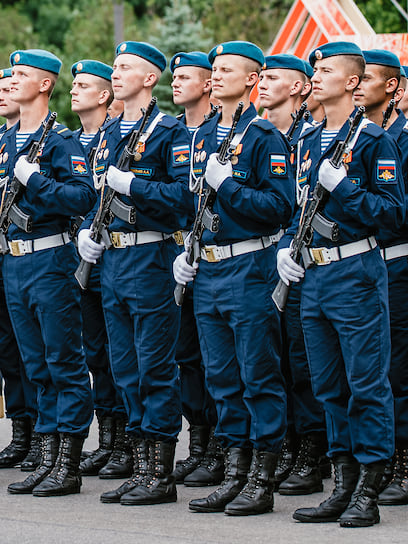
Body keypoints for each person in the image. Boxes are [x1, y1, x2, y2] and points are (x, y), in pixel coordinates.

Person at [279, 41, 402, 528]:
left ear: (352, 82)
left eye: (326, 70)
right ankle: (343, 482)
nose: (316, 76)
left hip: (355, 274)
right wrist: (289, 248)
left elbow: (394, 215)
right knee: (327, 385)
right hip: (314, 276)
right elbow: (298, 209)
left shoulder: (374, 140)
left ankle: (369, 490)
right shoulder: (308, 142)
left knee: (366, 385)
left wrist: (345, 187)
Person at [172, 41, 293, 516]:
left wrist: (229, 185)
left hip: (249, 268)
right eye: (214, 69)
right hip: (209, 268)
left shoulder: (264, 136)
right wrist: (188, 247)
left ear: (252, 80)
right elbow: (192, 204)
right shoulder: (202, 138)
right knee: (220, 376)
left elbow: (280, 209)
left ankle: (260, 478)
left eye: (226, 70)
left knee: (257, 374)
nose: (216, 76)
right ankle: (234, 471)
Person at [0, 49, 96, 497]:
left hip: (50, 260)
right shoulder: (6, 141)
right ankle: (46, 457)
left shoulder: (61, 141)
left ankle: (68, 462)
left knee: (64, 362)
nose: (13, 79)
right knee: (35, 366)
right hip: (15, 261)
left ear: (45, 84)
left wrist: (37, 180)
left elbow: (83, 197)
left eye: (22, 74)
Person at [76, 42, 189, 505]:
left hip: (150, 258)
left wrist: (134, 185)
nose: (116, 74)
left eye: (125, 68)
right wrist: (88, 230)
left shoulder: (169, 132)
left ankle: (159, 475)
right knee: (124, 368)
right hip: (114, 261)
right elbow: (95, 195)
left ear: (149, 79)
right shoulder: (108, 135)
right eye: (116, 67)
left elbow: (182, 199)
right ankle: (140, 465)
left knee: (154, 366)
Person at [257, 54, 329, 495]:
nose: (263, 84)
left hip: (301, 261)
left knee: (303, 362)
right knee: (273, 360)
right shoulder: (260, 136)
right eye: (260, 77)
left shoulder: (310, 136)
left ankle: (311, 451)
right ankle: (284, 444)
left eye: (273, 78)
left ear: (300, 87)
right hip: (261, 261)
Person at [68, 59, 130, 479]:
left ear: (105, 95)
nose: (74, 90)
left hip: (116, 257)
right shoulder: (70, 141)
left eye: (84, 84)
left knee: (119, 353)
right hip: (78, 259)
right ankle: (107, 440)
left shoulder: (118, 139)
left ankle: (125, 442)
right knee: (95, 353)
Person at [354, 49, 408, 506]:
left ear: (391, 86)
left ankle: (402, 465)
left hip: (397, 262)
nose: (357, 86)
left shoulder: (402, 138)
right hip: (359, 265)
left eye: (366, 78)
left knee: (396, 371)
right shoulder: (352, 136)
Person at [164, 51, 219, 487]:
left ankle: (221, 447)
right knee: (187, 355)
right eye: (174, 76)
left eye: (185, 77)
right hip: (179, 254)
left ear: (206, 85)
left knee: (218, 358)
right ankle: (198, 443)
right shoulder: (170, 132)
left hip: (219, 254)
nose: (176, 82)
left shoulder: (224, 132)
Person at [0, 66, 39, 473]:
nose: (3, 94)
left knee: (35, 352)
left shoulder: (44, 137)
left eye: (10, 87)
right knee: (8, 349)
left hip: (34, 254)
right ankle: (21, 432)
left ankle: (41, 435)